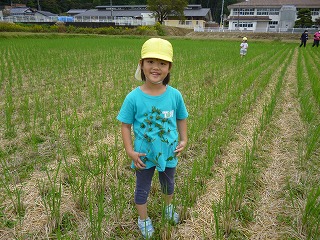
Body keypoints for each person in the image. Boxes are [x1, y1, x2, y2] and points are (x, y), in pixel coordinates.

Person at [117, 38, 188, 239]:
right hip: (143, 154)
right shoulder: (133, 97)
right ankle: (143, 219)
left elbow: (181, 118)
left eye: (162, 63)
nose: (156, 67)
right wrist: (130, 151)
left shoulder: (175, 95)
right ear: (141, 64)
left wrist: (184, 140)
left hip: (168, 151)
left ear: (169, 67)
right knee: (142, 188)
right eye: (150, 62)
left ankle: (168, 208)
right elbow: (125, 125)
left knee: (169, 184)